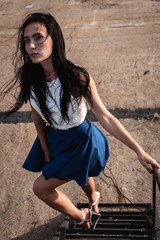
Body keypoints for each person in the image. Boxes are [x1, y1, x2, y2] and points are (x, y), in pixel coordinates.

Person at [1, 12, 160, 230]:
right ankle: (94, 197)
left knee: (40, 188)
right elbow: (37, 115)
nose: (31, 46)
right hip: (56, 138)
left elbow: (105, 116)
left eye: (38, 37)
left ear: (54, 39)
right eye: (27, 41)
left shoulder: (77, 76)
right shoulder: (30, 76)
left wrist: (139, 151)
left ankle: (80, 216)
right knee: (80, 174)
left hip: (82, 140)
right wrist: (46, 149)